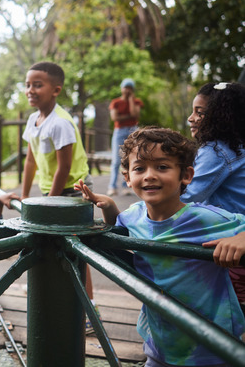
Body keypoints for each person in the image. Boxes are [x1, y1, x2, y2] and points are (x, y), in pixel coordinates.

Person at [75, 126, 245, 366]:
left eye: (162, 167)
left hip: (213, 345)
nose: (149, 175)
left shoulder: (207, 220)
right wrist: (110, 207)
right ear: (127, 177)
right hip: (160, 342)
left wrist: (242, 238)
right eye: (139, 168)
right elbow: (118, 231)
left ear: (185, 175)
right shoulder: (133, 215)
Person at [182, 81, 245, 313]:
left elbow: (188, 195)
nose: (191, 118)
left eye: (200, 113)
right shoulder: (237, 146)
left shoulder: (217, 150)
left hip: (233, 244)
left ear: (220, 116)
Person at [21, 61, 91, 199]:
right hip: (50, 188)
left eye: (38, 85)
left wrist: (50, 202)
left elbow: (64, 168)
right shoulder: (32, 119)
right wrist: (24, 196)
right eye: (28, 85)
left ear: (56, 90)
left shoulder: (60, 123)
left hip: (73, 189)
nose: (30, 90)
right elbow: (30, 161)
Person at [107, 78, 143, 196]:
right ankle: (112, 186)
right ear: (122, 89)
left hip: (133, 130)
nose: (127, 90)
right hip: (119, 131)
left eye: (130, 88)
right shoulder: (115, 102)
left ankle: (126, 186)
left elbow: (135, 114)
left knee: (130, 159)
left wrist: (131, 100)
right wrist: (129, 117)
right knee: (116, 160)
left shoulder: (136, 102)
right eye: (125, 88)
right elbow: (115, 118)